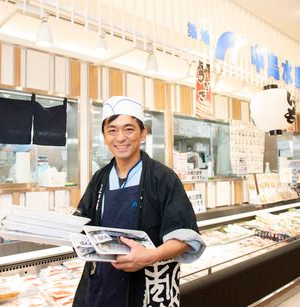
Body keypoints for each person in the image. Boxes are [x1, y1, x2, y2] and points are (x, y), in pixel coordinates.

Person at [73, 96, 205, 307]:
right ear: (105, 136)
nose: (120, 138)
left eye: (129, 129)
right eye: (112, 130)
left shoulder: (163, 178)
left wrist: (151, 255)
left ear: (143, 134)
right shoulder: (100, 178)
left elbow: (186, 237)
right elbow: (81, 226)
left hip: (150, 287)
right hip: (104, 286)